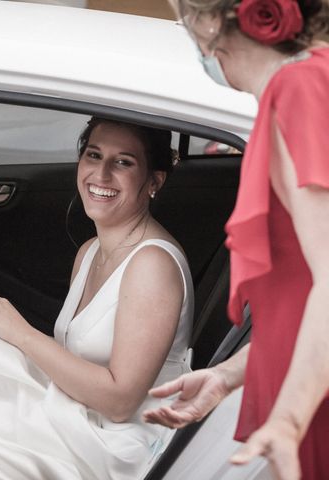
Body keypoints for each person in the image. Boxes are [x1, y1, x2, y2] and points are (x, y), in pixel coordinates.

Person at [0, 118, 194, 479]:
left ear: (154, 181)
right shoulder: (90, 251)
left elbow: (120, 404)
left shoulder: (152, 265)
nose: (100, 175)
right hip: (81, 409)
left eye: (123, 162)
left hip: (117, 441)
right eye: (93, 155)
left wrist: (21, 333)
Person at [142, 1, 329, 479]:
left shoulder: (300, 89)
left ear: (211, 19)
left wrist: (289, 418)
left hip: (309, 404)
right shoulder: (305, 84)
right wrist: (226, 376)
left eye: (184, 13)